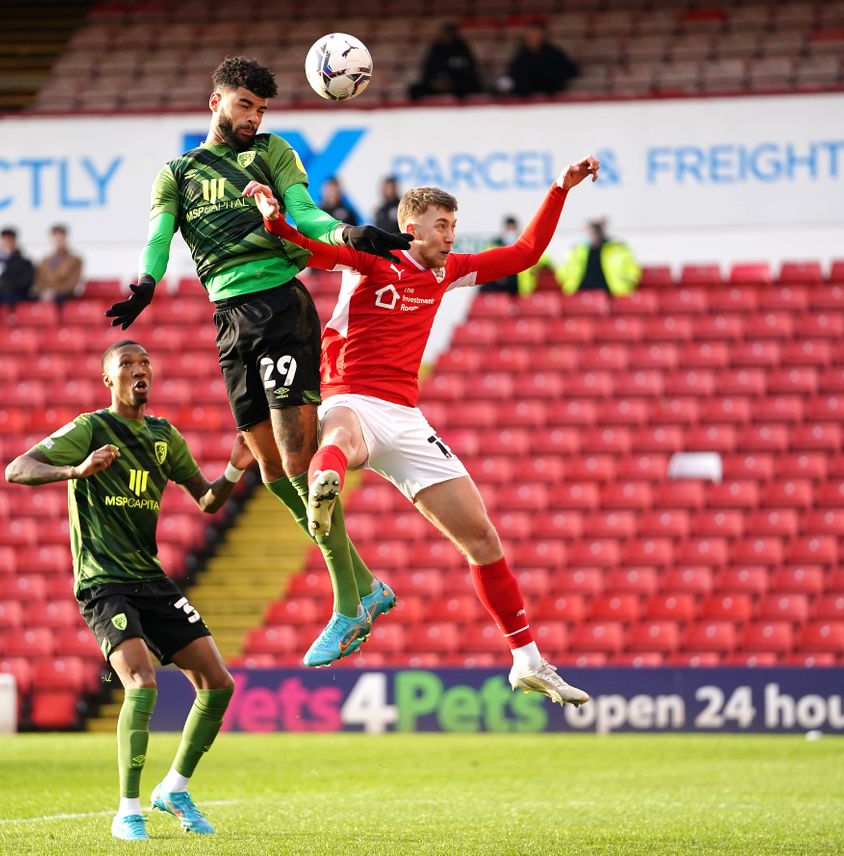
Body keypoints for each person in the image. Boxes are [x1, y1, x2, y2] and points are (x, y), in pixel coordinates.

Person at [242, 153, 602, 707]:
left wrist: (560, 187)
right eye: (442, 226)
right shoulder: (370, 259)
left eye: (454, 227)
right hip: (351, 396)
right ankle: (325, 505)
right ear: (411, 227)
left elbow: (525, 254)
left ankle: (528, 661)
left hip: (407, 419)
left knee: (481, 537)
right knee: (337, 441)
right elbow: (309, 249)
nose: (451, 237)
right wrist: (273, 218)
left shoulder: (448, 272)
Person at [106, 56, 414, 669]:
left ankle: (349, 603)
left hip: (278, 306)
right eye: (245, 105)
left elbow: (305, 215)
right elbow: (160, 234)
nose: (255, 117)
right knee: (272, 472)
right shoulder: (178, 172)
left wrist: (349, 235)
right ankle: (368, 588)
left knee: (299, 463)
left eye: (262, 108)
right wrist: (147, 280)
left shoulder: (274, 153)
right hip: (228, 318)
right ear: (215, 102)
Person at [5, 339, 254, 842]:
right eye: (127, 364)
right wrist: (76, 470)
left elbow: (206, 500)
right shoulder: (91, 428)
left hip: (150, 578)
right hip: (103, 581)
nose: (140, 370)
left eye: (145, 362)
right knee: (142, 683)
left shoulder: (163, 436)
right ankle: (127, 809)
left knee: (218, 682)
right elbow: (18, 468)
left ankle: (175, 789)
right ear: (108, 380)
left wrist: (233, 468)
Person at [556, 219, 641, 297]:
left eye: (597, 229)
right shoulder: (576, 250)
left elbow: (633, 272)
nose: (595, 233)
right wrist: (569, 284)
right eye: (592, 230)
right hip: (580, 293)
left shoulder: (618, 249)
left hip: (612, 294)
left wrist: (626, 286)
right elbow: (563, 271)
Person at [479, 215, 554, 296]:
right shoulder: (495, 244)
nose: (511, 231)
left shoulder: (525, 244)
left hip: (520, 286)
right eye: (508, 228)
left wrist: (546, 265)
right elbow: (485, 260)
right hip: (498, 284)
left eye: (513, 228)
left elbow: (542, 256)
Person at [408, 22, 482, 101]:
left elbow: (469, 70)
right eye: (444, 34)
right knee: (415, 90)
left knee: (472, 87)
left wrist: (453, 83)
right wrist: (434, 82)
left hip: (457, 85)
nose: (447, 36)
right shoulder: (435, 49)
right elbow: (428, 68)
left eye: (449, 34)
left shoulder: (462, 49)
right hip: (436, 84)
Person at [504, 22, 579, 97]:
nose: (533, 36)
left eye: (536, 33)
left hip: (551, 96)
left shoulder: (554, 53)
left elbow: (571, 70)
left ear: (543, 34)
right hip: (526, 98)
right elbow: (513, 76)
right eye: (530, 33)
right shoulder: (520, 55)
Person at [33, 223, 83, 306]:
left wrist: (54, 291)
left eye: (61, 237)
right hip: (45, 293)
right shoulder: (45, 260)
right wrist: (44, 290)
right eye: (56, 237)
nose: (58, 240)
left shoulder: (75, 260)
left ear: (65, 238)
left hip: (63, 295)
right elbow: (38, 280)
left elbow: (72, 283)